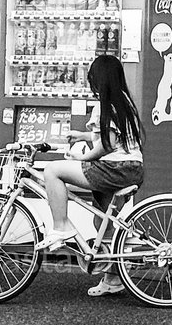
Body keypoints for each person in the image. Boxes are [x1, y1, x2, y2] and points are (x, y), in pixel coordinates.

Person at [39, 54, 144, 297]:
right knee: (102, 222)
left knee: (53, 170)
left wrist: (81, 159)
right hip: (131, 168)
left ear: (98, 81)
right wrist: (83, 135)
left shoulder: (104, 106)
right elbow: (115, 138)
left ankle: (60, 226)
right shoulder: (124, 102)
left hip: (113, 168)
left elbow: (107, 145)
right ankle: (113, 279)